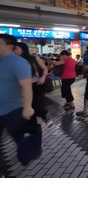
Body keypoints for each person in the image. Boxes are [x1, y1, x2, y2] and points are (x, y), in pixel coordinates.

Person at [0, 34, 34, 178]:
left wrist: (27, 107)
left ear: (9, 46)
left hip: (13, 110)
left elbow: (26, 86)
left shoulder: (18, 62)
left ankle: (29, 151)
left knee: (20, 138)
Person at [14, 42, 52, 127]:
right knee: (28, 106)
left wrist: (43, 77)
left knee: (37, 104)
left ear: (23, 49)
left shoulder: (34, 58)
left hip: (37, 85)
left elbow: (45, 68)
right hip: (22, 87)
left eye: (16, 48)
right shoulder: (14, 61)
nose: (14, 50)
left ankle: (44, 117)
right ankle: (33, 125)